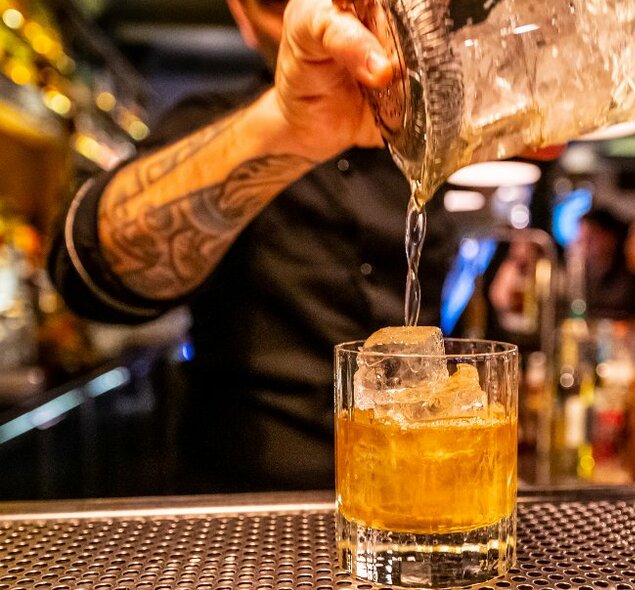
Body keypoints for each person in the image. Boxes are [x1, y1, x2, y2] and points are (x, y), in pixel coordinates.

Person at [48, 0, 457, 491]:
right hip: (243, 512)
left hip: (418, 498)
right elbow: (87, 270)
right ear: (242, 18)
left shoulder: (431, 137)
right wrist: (286, 125)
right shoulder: (206, 122)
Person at [576, 207, 635, 319]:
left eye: (590, 239)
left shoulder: (634, 271)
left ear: (610, 238)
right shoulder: (583, 275)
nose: (584, 247)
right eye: (581, 239)